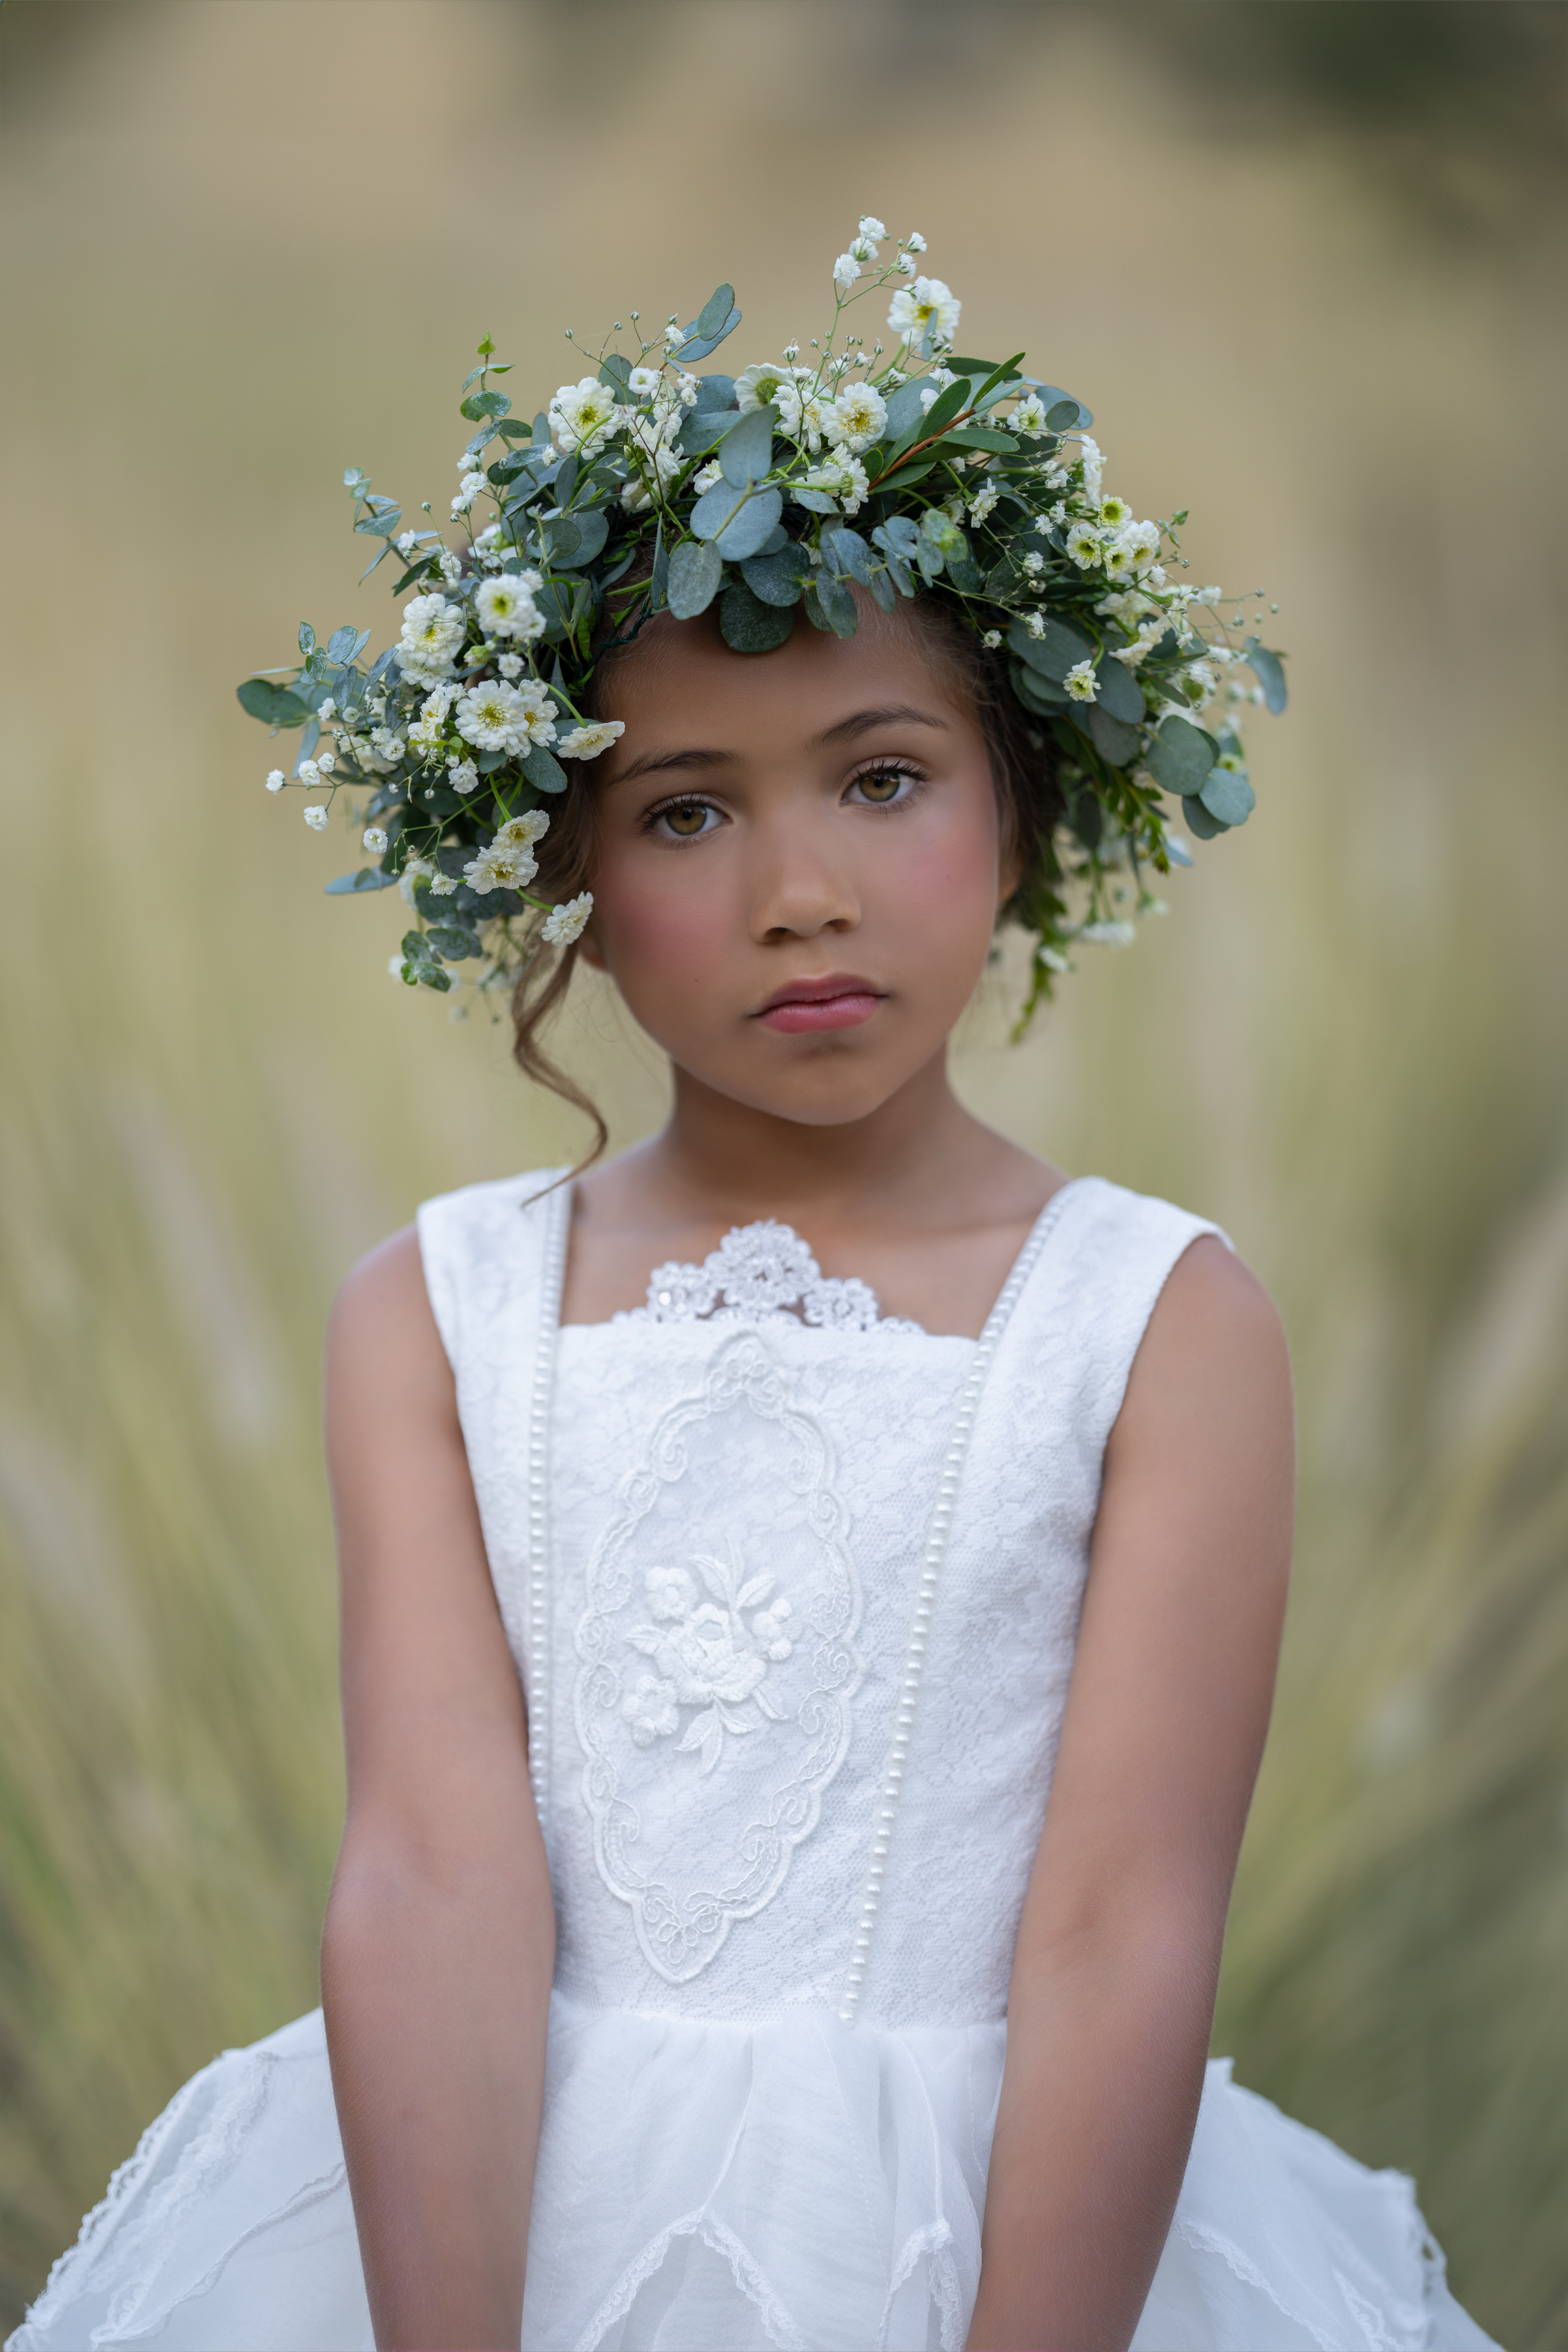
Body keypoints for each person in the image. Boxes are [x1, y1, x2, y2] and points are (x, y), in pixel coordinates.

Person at [12, 232, 1498, 2352]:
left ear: (1018, 812)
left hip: (1002, 2245)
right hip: (485, 2217)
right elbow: (434, 1879)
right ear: (569, 889)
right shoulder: (439, 1317)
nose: (798, 893)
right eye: (684, 811)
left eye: (881, 780)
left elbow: (1119, 1930)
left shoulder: (1150, 1322)